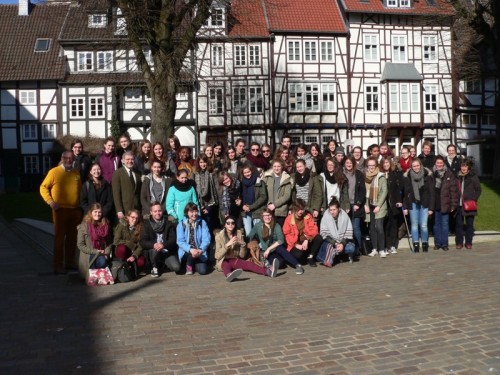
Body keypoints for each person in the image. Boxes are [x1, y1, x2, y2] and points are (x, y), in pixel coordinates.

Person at [40, 151, 83, 274]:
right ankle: (57, 264)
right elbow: (43, 187)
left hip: (75, 210)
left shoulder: (76, 172)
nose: (68, 160)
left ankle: (70, 262)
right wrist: (50, 202)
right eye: (66, 158)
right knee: (59, 239)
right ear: (62, 158)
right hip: (60, 211)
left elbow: (79, 189)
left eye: (71, 158)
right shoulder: (54, 172)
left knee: (72, 238)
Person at [215, 216, 277, 282]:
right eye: (228, 223)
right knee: (226, 265)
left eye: (232, 223)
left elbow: (242, 256)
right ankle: (229, 275)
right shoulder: (219, 236)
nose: (230, 225)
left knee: (248, 264)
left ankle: (268, 272)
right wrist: (227, 245)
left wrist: (243, 245)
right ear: (225, 225)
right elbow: (217, 256)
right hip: (223, 260)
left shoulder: (238, 234)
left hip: (234, 259)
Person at [247, 209, 304, 274]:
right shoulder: (258, 226)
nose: (267, 217)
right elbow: (250, 236)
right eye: (265, 215)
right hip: (268, 252)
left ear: (272, 215)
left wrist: (269, 249)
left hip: (277, 248)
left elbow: (281, 240)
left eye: (269, 215)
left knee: (280, 248)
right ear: (262, 216)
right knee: (280, 263)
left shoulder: (276, 225)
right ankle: (275, 263)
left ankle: (298, 265)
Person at [140, 202, 180, 277]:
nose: (158, 213)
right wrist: (153, 244)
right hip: (154, 251)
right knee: (153, 250)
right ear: (151, 212)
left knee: (176, 268)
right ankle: (154, 267)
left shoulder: (168, 222)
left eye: (159, 211)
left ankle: (163, 265)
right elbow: (142, 241)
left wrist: (163, 245)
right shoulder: (147, 225)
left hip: (166, 251)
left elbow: (173, 239)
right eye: (155, 211)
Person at [403, 158, 435, 253]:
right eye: (414, 166)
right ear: (411, 167)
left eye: (417, 165)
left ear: (420, 165)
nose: (416, 168)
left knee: (424, 225)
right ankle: (416, 244)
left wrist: (431, 208)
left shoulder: (427, 176)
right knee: (414, 225)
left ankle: (425, 243)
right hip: (412, 203)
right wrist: (405, 207)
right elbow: (405, 193)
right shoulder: (407, 176)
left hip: (424, 203)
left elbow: (431, 193)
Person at [282, 199, 323, 267]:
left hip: (306, 240)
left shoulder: (308, 216)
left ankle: (310, 257)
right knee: (298, 255)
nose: (301, 211)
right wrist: (296, 245)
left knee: (319, 238)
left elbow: (314, 229)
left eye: (302, 209)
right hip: (294, 243)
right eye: (299, 209)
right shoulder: (289, 219)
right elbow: (287, 235)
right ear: (294, 209)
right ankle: (301, 258)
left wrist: (307, 239)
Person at [76, 203, 112, 279]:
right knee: (100, 261)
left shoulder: (105, 224)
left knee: (102, 260)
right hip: (89, 254)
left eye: (99, 212)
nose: (97, 214)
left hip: (102, 253)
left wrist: (106, 253)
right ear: (91, 212)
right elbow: (80, 245)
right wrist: (95, 251)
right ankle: (94, 276)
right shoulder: (83, 226)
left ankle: (97, 276)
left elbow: (109, 242)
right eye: (95, 211)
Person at [319, 198, 356, 265]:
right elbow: (323, 233)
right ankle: (335, 256)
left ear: (338, 209)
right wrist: (335, 243)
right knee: (327, 247)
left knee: (351, 248)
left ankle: (336, 255)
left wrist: (342, 244)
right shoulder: (326, 216)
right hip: (331, 242)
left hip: (342, 241)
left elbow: (348, 233)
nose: (332, 212)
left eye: (334, 210)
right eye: (330, 210)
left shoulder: (345, 216)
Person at [432, 156, 459, 251]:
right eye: (437, 163)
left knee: (445, 224)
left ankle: (444, 244)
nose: (439, 164)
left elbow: (453, 191)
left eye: (441, 163)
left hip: (445, 203)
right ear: (435, 163)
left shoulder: (449, 174)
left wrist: (453, 204)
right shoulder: (432, 174)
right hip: (435, 204)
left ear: (443, 163)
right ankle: (437, 243)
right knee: (436, 225)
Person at [176, 202, 210, 275]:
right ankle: (188, 265)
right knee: (188, 257)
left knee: (203, 271)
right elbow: (180, 241)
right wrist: (190, 249)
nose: (194, 214)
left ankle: (192, 264)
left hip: (199, 252)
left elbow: (206, 239)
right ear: (187, 213)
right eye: (191, 212)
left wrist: (201, 249)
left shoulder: (202, 222)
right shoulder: (181, 224)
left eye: (196, 211)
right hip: (187, 251)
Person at [364, 156, 388, 257]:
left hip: (380, 204)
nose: (371, 167)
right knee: (372, 227)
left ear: (376, 165)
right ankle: (374, 248)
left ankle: (382, 249)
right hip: (369, 203)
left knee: (379, 226)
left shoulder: (381, 176)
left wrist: (378, 205)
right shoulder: (365, 176)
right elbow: (365, 192)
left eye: (373, 165)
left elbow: (384, 191)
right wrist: (365, 204)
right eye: (369, 165)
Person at [455, 159, 481, 249]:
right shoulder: (458, 176)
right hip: (459, 205)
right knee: (459, 225)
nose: (463, 168)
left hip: (469, 205)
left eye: (465, 166)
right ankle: (459, 242)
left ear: (468, 167)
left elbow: (478, 190)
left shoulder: (473, 176)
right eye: (462, 166)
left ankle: (468, 242)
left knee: (469, 225)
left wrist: (473, 199)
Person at [342, 156, 366, 254]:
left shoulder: (358, 174)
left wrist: (358, 203)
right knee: (345, 227)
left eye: (350, 163)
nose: (349, 165)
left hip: (356, 205)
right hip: (345, 205)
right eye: (347, 163)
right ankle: (347, 248)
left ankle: (358, 248)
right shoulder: (341, 174)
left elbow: (362, 191)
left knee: (356, 227)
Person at [381, 157, 404, 254]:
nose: (386, 165)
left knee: (394, 225)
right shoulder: (380, 175)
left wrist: (399, 200)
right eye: (384, 163)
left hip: (393, 203)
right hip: (383, 204)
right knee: (385, 225)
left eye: (387, 163)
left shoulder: (395, 174)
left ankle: (393, 245)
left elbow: (399, 189)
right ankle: (386, 246)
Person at [262, 159, 293, 227]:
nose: (276, 168)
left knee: (279, 231)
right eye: (274, 166)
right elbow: (262, 192)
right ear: (272, 167)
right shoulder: (267, 177)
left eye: (278, 166)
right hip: (268, 210)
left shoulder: (287, 179)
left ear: (282, 167)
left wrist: (275, 204)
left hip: (280, 211)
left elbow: (287, 195)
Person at [112, 151, 142, 221]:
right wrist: (119, 210)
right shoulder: (118, 173)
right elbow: (116, 194)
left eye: (132, 159)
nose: (130, 161)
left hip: (136, 209)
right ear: (123, 161)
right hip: (125, 209)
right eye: (127, 159)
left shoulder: (138, 173)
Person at [240, 162, 268, 236]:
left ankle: (261, 247)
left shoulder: (259, 181)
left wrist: (251, 206)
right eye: (245, 172)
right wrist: (242, 205)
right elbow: (240, 196)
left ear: (252, 171)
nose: (247, 174)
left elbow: (263, 196)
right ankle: (250, 246)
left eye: (248, 172)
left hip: (257, 210)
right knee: (249, 233)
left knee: (259, 233)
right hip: (245, 211)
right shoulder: (242, 183)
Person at [192, 154, 218, 230]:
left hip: (209, 203)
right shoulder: (194, 174)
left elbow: (215, 190)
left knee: (208, 224)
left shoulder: (211, 173)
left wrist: (208, 207)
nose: (203, 164)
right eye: (201, 162)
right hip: (198, 203)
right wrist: (200, 206)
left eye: (204, 162)